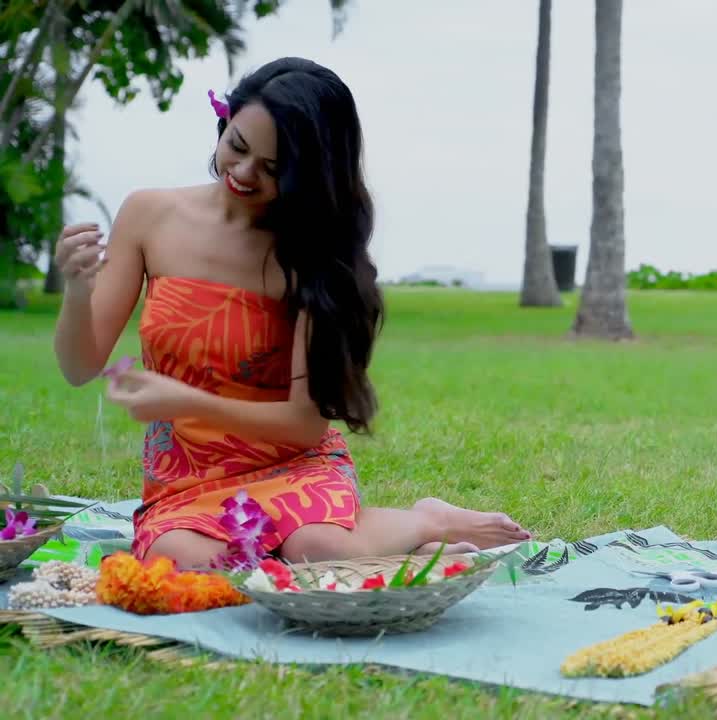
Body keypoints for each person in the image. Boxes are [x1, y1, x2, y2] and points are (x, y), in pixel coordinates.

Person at [51, 57, 530, 570]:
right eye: (237, 145)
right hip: (190, 478)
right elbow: (80, 368)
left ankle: (427, 522)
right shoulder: (149, 215)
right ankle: (374, 551)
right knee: (187, 565)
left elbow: (303, 426)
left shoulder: (314, 258)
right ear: (225, 122)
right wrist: (79, 291)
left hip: (293, 463)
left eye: (273, 169)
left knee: (319, 549)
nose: (242, 172)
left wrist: (186, 399)